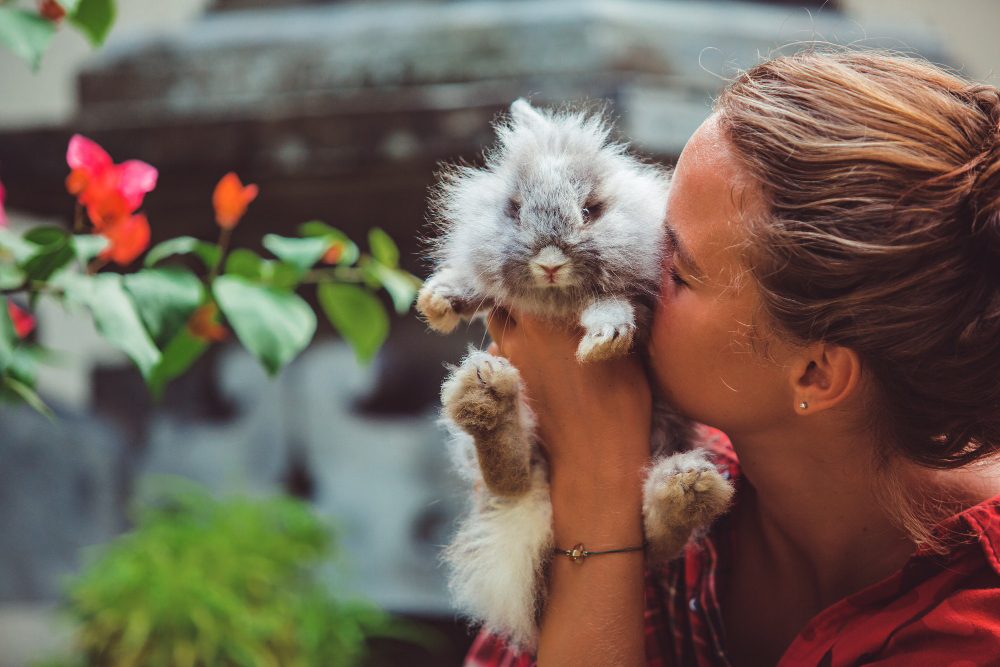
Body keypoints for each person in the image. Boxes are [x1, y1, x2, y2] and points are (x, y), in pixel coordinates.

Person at [463, 49, 1000, 666]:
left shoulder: (969, 631)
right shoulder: (686, 481)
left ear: (816, 373)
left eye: (681, 269)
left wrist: (595, 483)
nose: (635, 263)